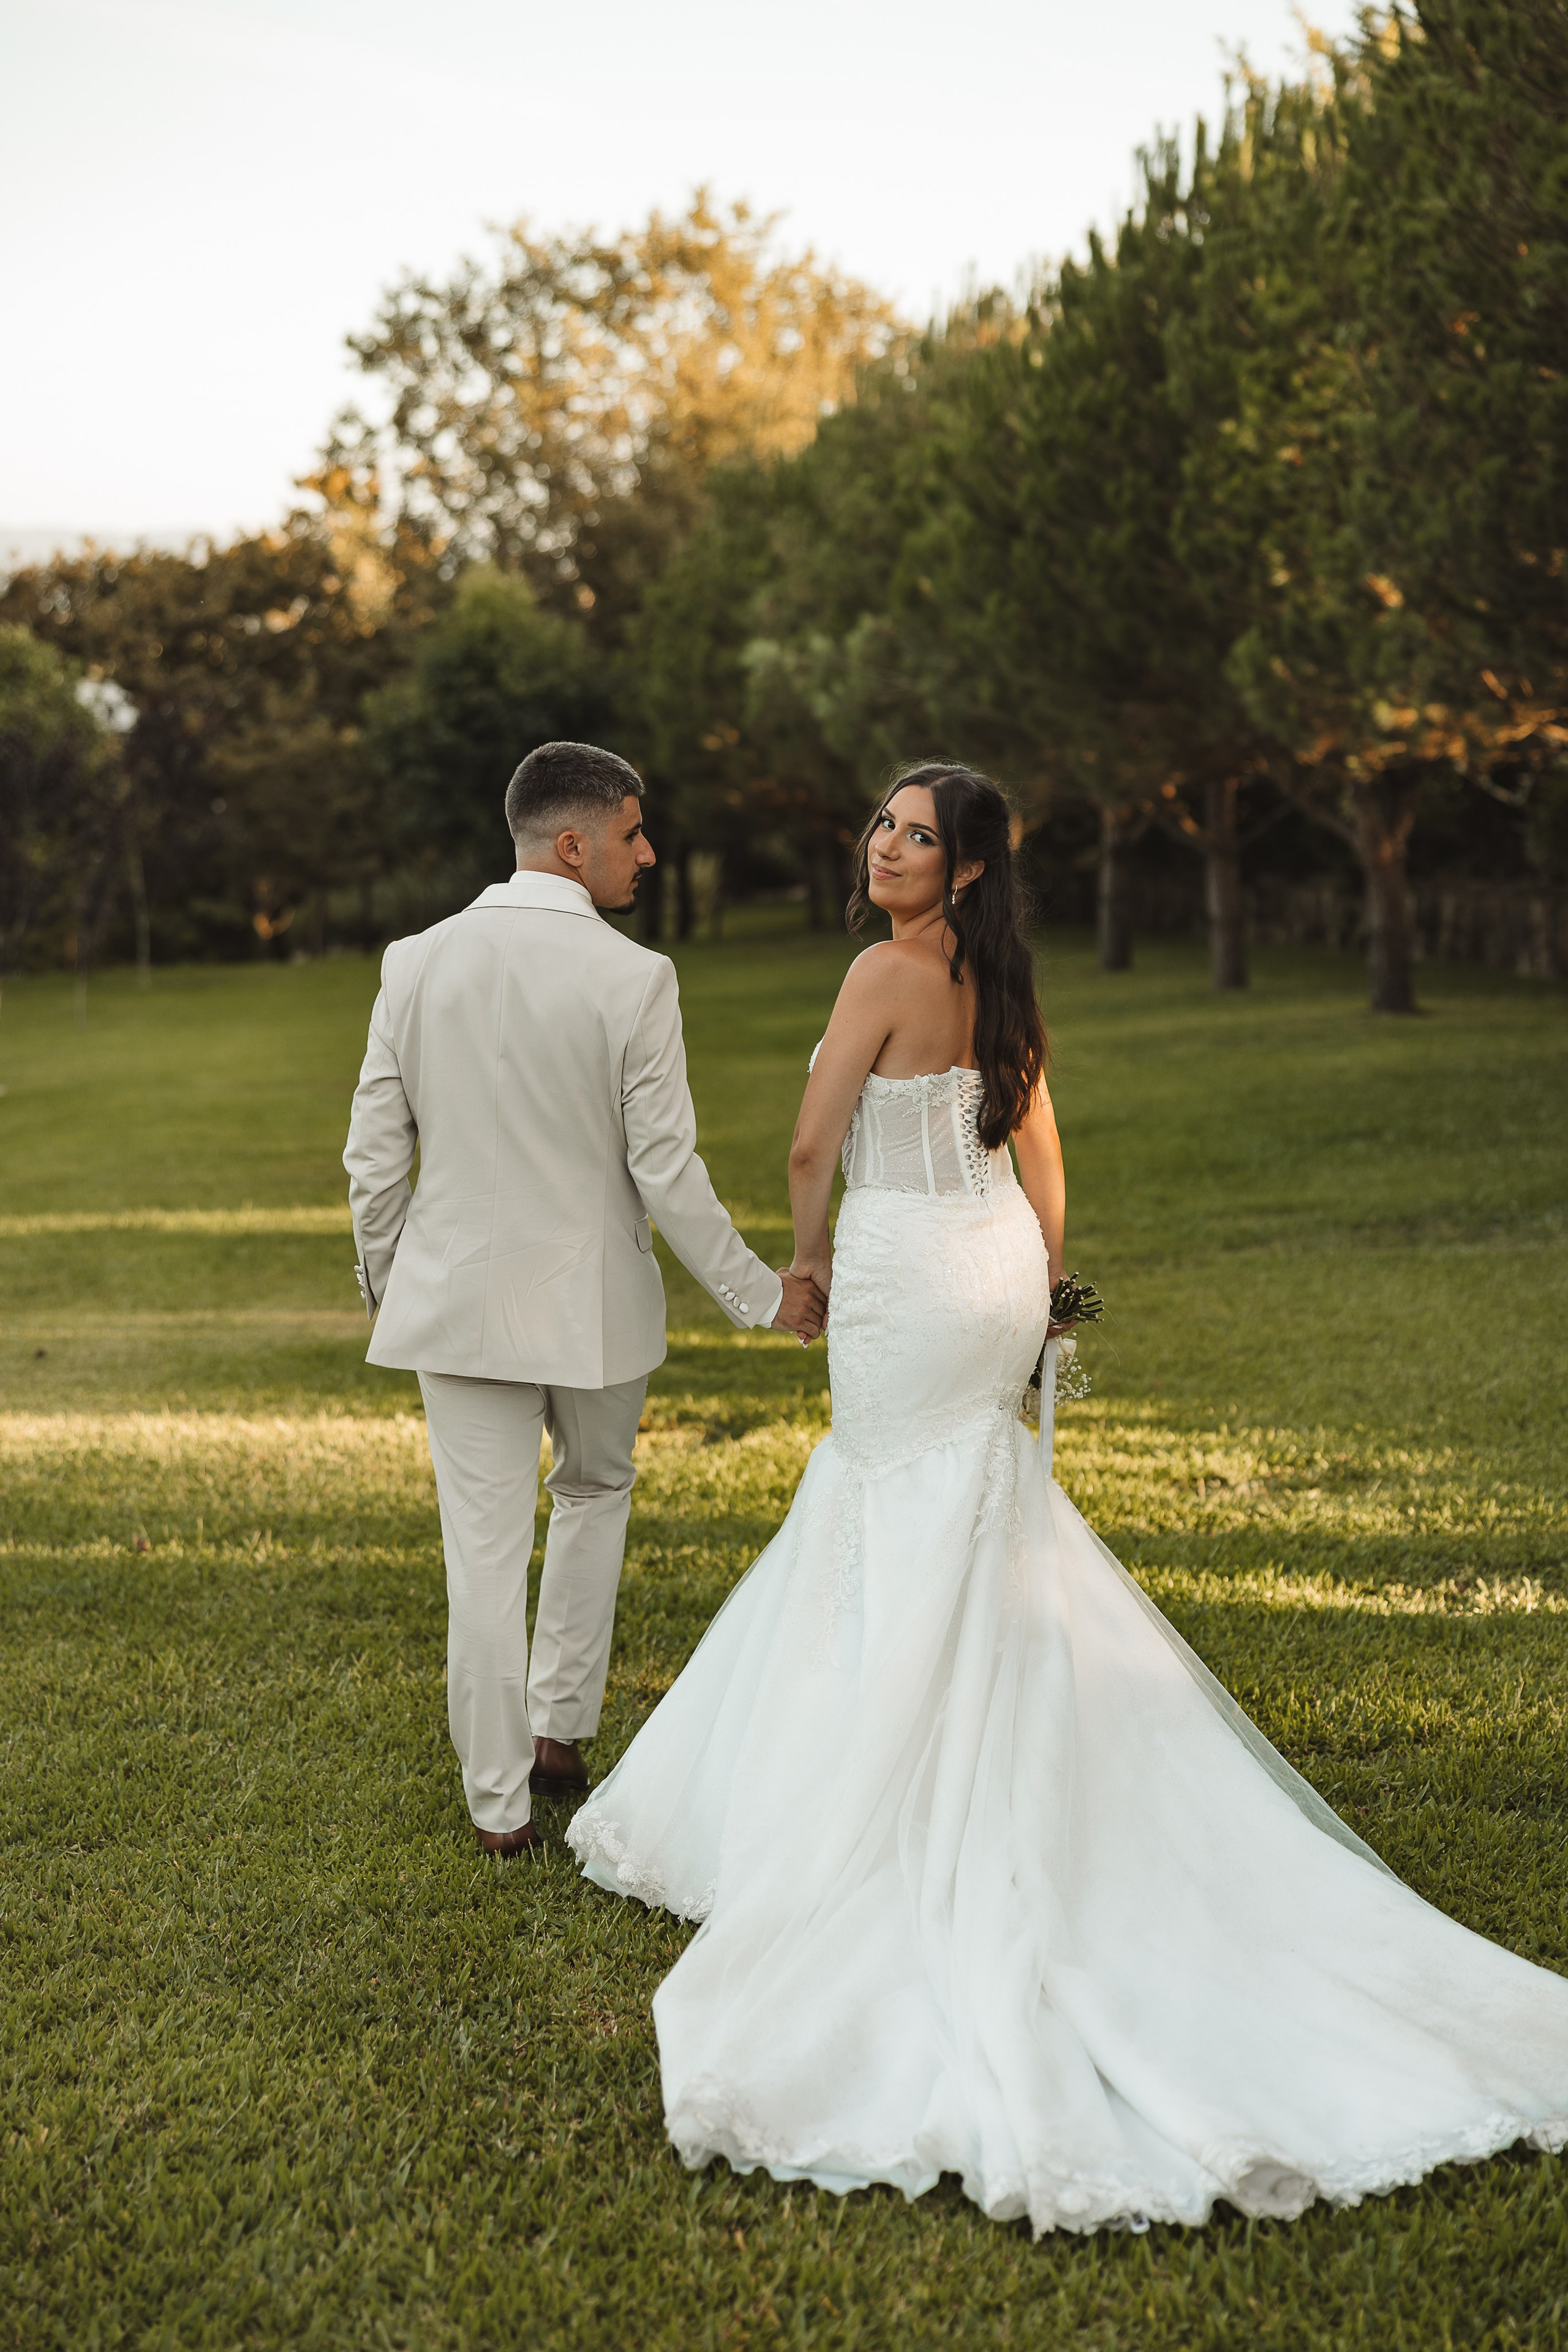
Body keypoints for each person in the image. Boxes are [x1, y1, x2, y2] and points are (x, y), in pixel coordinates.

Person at [567, 761, 1568, 2235]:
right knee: (973, 1506)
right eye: (884, 824)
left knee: (887, 1500)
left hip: (907, 1272)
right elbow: (1040, 1157)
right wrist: (1040, 1295)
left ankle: (876, 1790)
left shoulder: (878, 971)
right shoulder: (1004, 980)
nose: (886, 845)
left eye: (917, 835)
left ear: (964, 868)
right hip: (992, 1275)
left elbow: (809, 1145)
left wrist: (806, 1259)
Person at [343, 741, 826, 1858]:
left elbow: (376, 1159)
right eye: (633, 833)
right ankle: (560, 1733)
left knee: (480, 1550)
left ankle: (499, 1808)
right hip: (596, 1305)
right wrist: (763, 1297)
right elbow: (667, 1172)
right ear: (574, 844)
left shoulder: (413, 962)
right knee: (597, 1491)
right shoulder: (635, 977)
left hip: (454, 1307)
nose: (648, 854)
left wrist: (390, 1283)